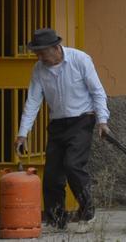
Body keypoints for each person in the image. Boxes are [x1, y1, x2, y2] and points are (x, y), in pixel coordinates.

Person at [14, 28, 111, 228]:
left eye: (42, 52)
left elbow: (97, 91)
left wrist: (102, 121)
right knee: (52, 174)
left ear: (56, 47)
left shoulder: (80, 59)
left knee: (73, 165)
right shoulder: (39, 69)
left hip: (82, 120)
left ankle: (87, 213)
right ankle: (57, 219)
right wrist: (22, 134)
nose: (40, 57)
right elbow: (33, 101)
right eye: (37, 53)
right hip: (57, 124)